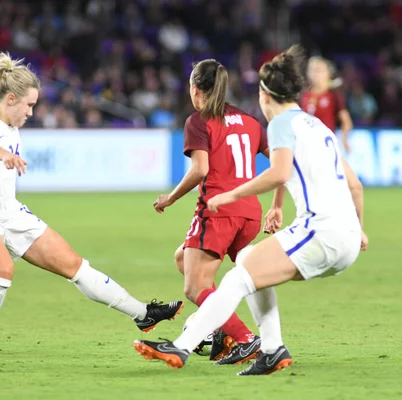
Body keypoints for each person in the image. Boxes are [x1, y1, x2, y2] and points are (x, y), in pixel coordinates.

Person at [133, 45, 368, 375]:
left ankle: (184, 346)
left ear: (265, 94)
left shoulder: (281, 124)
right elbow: (355, 185)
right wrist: (359, 229)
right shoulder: (318, 127)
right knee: (248, 263)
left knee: (236, 279)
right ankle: (271, 350)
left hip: (321, 232)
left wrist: (230, 195)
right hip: (345, 237)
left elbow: (279, 172)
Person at [0, 52, 183, 365]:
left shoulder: (10, 123)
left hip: (11, 213)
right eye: (28, 105)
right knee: (2, 270)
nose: (31, 112)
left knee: (75, 265)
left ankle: (142, 314)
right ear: (11, 98)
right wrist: (2, 154)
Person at [153, 59, 268, 364]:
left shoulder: (199, 120)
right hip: (250, 215)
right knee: (183, 258)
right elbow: (280, 160)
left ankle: (243, 338)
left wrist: (171, 198)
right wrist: (278, 205)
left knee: (195, 286)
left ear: (195, 88)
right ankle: (222, 328)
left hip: (219, 213)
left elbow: (200, 169)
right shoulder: (248, 120)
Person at [300, 56, 353, 153]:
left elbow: (346, 120)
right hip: (307, 146)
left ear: (328, 73)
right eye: (312, 70)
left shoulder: (333, 95)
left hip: (326, 146)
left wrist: (344, 138)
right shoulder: (304, 96)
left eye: (319, 70)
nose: (315, 74)